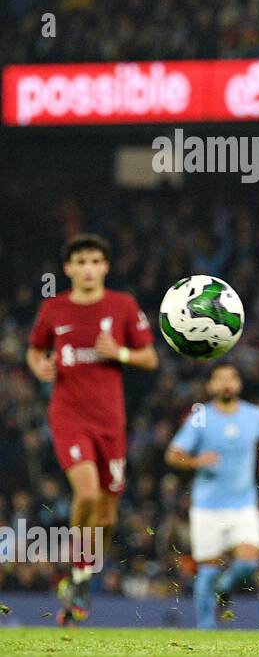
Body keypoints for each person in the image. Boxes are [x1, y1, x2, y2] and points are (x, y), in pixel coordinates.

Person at [26, 234, 159, 624]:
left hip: (110, 422)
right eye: (79, 261)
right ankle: (79, 574)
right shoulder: (53, 308)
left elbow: (149, 357)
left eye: (94, 261)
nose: (87, 268)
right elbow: (34, 349)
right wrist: (39, 367)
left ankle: (81, 577)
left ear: (105, 267)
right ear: (68, 269)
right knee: (85, 492)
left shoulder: (123, 305)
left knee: (107, 517)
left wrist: (117, 352)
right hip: (69, 416)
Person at [165, 363, 259, 628]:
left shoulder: (254, 415)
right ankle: (206, 629)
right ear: (210, 386)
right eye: (219, 379)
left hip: (243, 503)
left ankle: (224, 589)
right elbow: (173, 454)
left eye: (231, 378)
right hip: (207, 506)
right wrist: (196, 461)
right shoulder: (200, 417)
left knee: (248, 563)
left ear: (239, 385)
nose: (226, 383)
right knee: (207, 570)